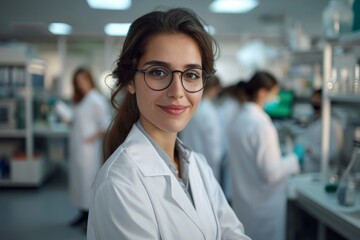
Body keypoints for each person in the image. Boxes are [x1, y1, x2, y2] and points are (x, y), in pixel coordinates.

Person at [87, 8, 250, 240]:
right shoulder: (119, 184)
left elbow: (231, 232)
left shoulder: (198, 166)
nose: (177, 92)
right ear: (130, 81)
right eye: (158, 72)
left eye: (191, 75)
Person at [226, 71, 301, 240]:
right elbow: (271, 173)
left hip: (244, 204)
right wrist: (294, 158)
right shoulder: (262, 125)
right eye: (275, 93)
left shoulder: (239, 118)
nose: (276, 99)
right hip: (264, 207)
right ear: (262, 93)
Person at [55, 67, 111, 229]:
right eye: (78, 82)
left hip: (89, 149)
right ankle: (82, 213)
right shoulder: (81, 99)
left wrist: (91, 137)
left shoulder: (96, 99)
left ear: (90, 80)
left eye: (84, 81)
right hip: (78, 147)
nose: (81, 85)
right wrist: (58, 106)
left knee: (88, 183)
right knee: (79, 182)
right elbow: (71, 117)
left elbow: (106, 124)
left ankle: (91, 218)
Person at [180, 75, 223, 181]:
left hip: (187, 158)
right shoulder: (208, 111)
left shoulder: (190, 107)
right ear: (214, 89)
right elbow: (213, 144)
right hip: (206, 162)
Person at [295, 89, 344, 173]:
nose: (314, 108)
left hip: (322, 171)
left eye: (317, 105)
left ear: (328, 104)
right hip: (308, 170)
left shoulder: (333, 125)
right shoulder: (314, 120)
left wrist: (310, 150)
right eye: (313, 104)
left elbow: (333, 154)